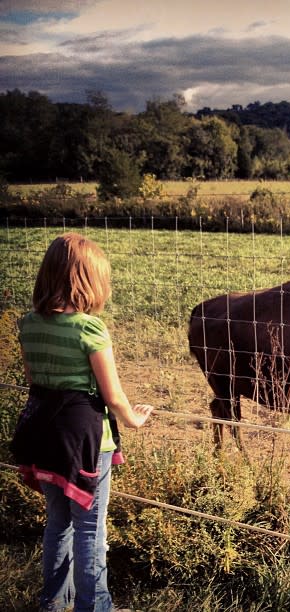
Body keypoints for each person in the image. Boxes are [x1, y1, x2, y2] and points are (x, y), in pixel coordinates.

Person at [10, 232, 154, 612]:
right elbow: (113, 396)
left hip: (43, 433)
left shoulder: (29, 324)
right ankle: (97, 607)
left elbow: (34, 379)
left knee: (58, 521)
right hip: (84, 441)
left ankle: (53, 604)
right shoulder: (89, 328)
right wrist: (134, 420)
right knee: (91, 528)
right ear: (89, 281)